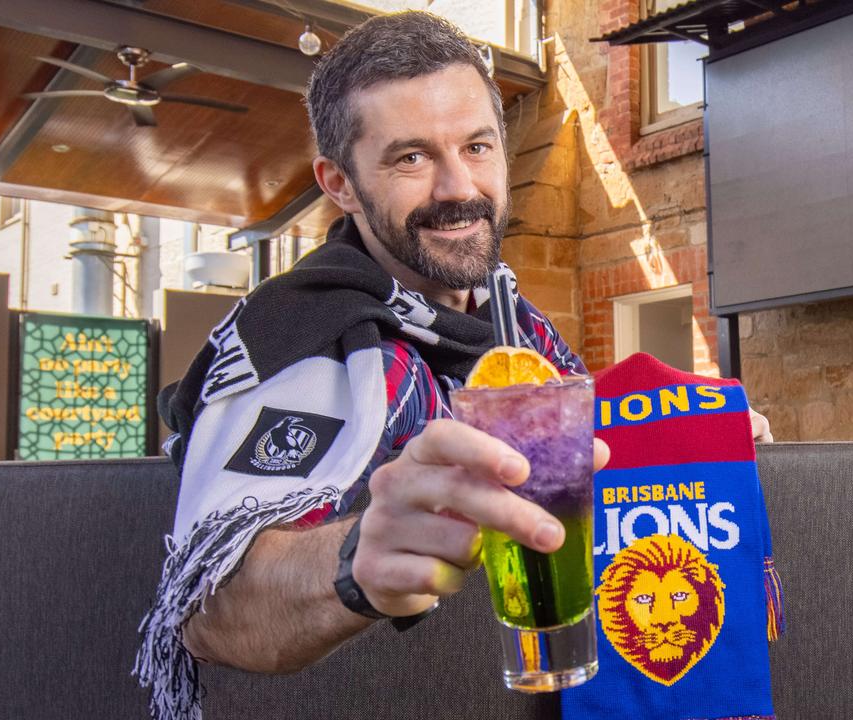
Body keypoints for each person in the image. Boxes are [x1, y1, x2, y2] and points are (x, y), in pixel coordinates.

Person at [137, 11, 770, 715]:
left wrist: (696, 431)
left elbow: (582, 463)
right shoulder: (303, 343)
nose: (457, 187)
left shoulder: (512, 324)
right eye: (411, 157)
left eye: (477, 146)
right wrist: (355, 566)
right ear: (339, 183)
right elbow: (209, 609)